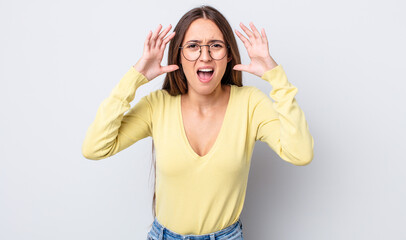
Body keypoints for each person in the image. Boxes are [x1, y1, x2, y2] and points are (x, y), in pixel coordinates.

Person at [82, 5, 314, 240]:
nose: (205, 56)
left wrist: (277, 77)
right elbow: (95, 148)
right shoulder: (158, 105)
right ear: (179, 56)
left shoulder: (250, 103)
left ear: (229, 54)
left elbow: (300, 153)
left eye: (215, 46)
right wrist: (134, 77)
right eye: (193, 46)